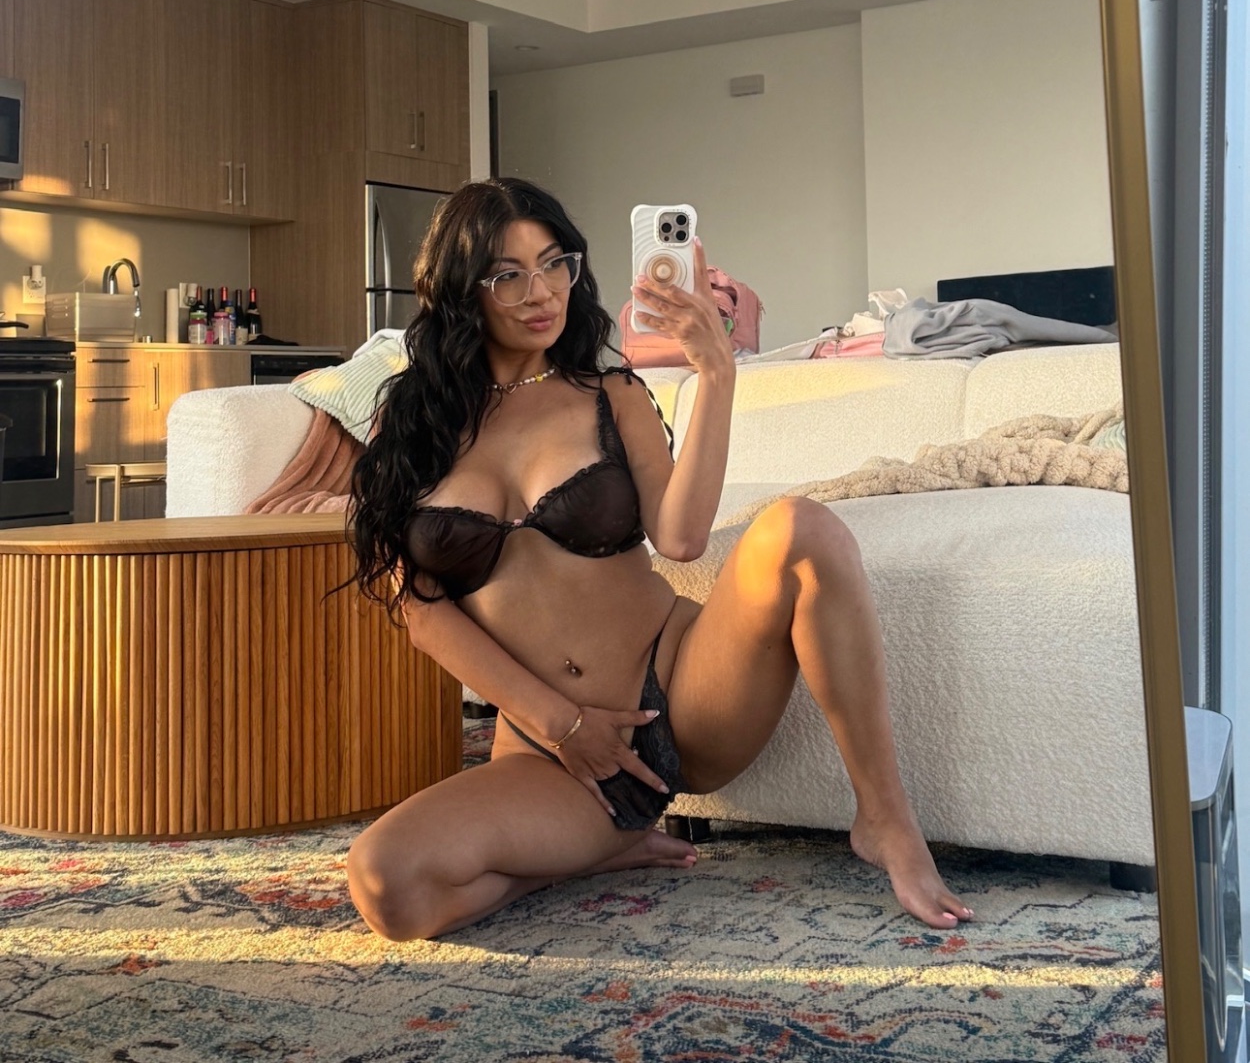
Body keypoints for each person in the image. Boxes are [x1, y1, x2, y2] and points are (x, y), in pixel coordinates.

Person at [346, 177, 971, 940]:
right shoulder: (412, 425)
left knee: (801, 529)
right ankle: (588, 853)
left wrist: (716, 372)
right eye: (508, 274)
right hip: (550, 751)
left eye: (555, 264)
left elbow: (680, 539)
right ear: (459, 288)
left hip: (679, 689)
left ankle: (885, 820)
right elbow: (423, 613)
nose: (542, 292)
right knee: (388, 887)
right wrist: (562, 723)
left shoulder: (610, 395)